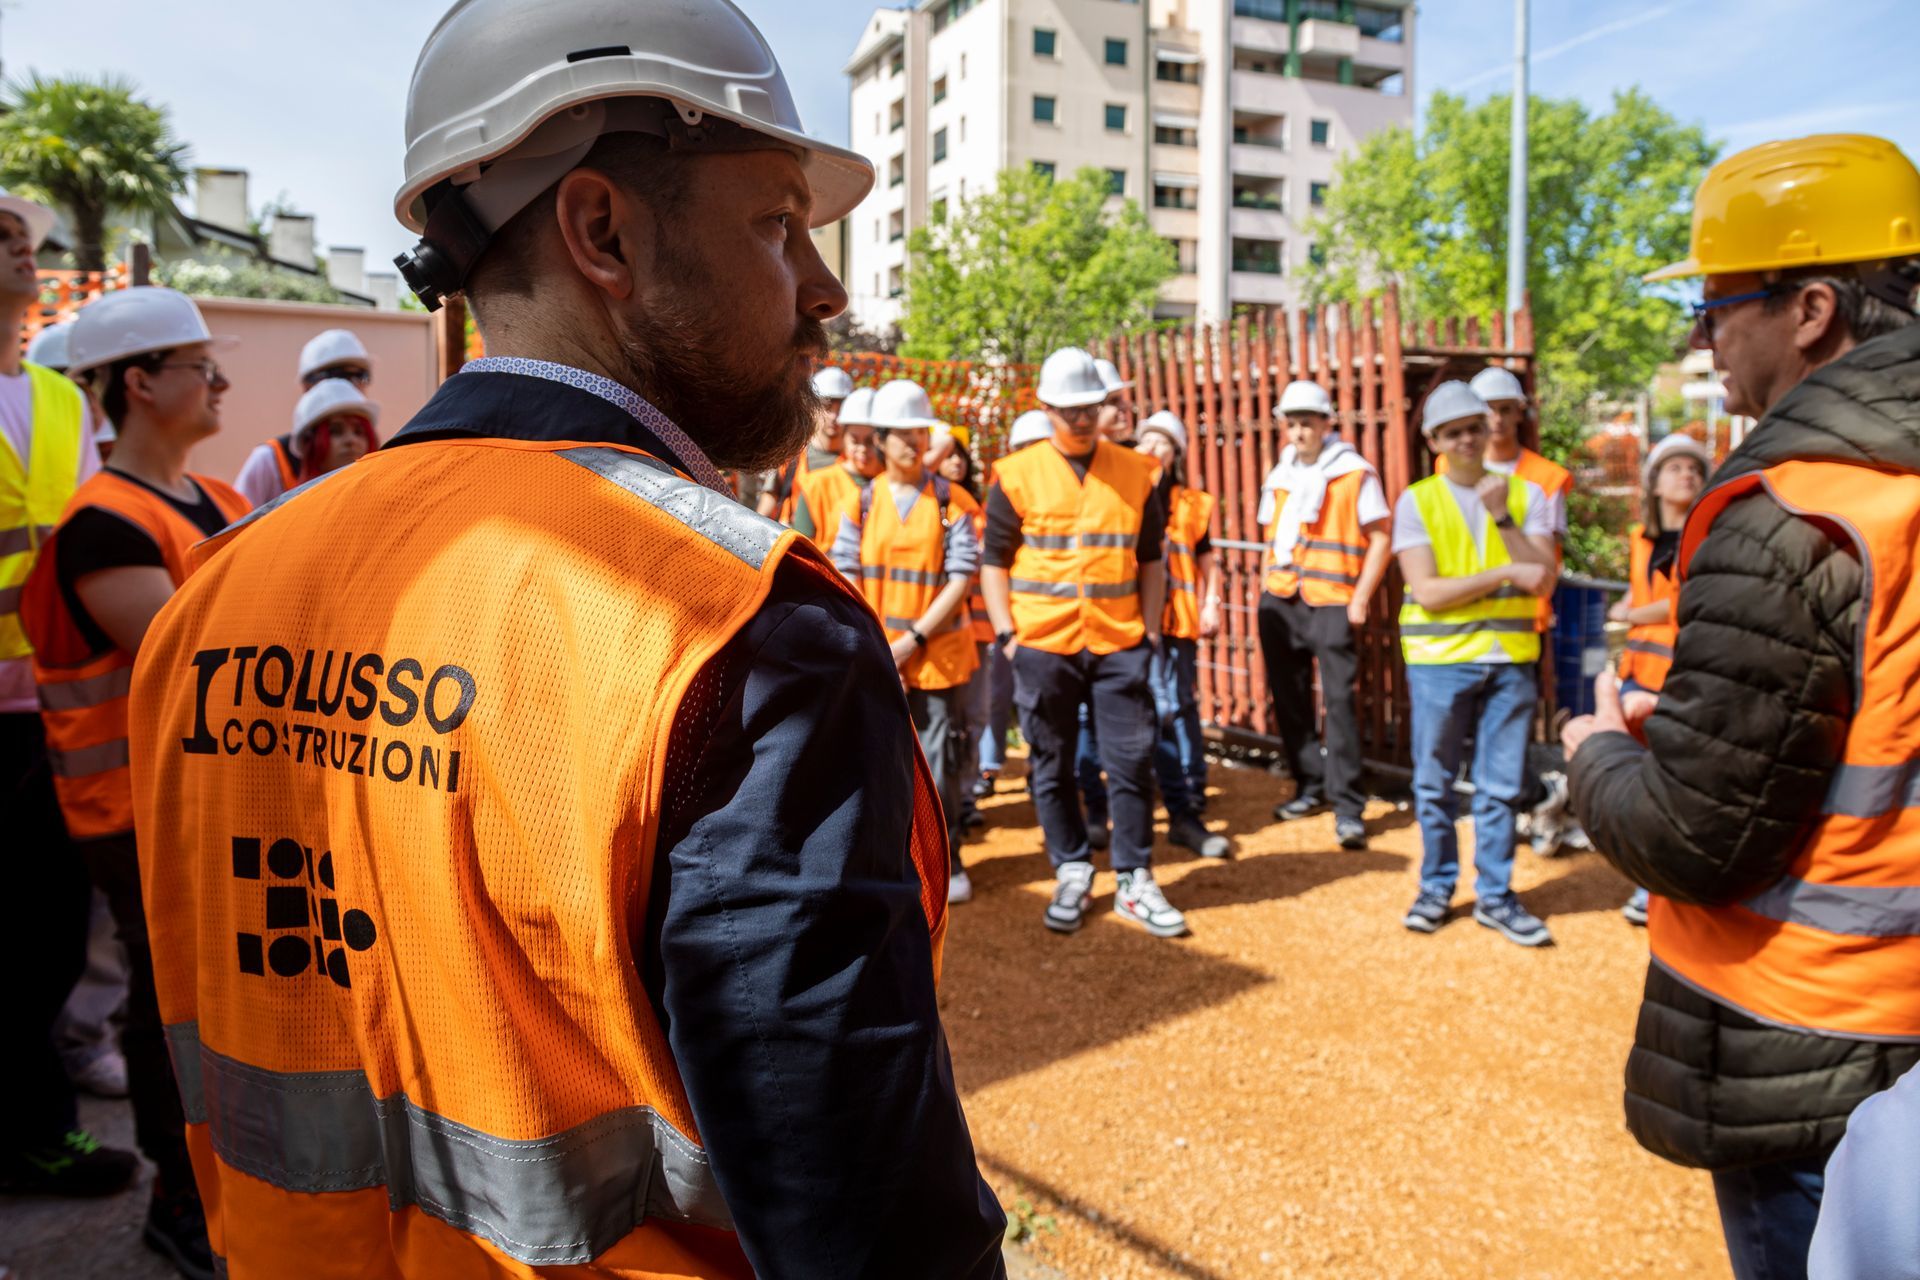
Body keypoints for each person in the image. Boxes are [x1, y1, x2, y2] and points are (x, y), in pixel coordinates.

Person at [124, 3, 1006, 1274]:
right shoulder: (733, 627)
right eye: (777, 224)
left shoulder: (217, 592)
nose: (827, 288)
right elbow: (862, 1210)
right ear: (603, 230)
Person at [1561, 132, 1920, 1280]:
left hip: (1816, 1029)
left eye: (1718, 303)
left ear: (1812, 307)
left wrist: (1596, 749)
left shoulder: (1794, 508)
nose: (1700, 333)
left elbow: (1695, 831)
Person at [20, 286, 252, 1277]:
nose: (221, 381)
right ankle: (176, 1193)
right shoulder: (102, 524)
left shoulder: (225, 503)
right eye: (201, 365)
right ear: (140, 383)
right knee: (175, 1015)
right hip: (141, 814)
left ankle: (227, 1177)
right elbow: (197, 661)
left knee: (230, 1003)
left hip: (221, 802)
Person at [0, 190, 137, 1206]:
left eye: (20, 235)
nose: (17, 247)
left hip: (44, 705)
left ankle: (32, 1129)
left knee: (44, 929)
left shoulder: (58, 402)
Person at [981, 347, 1186, 938]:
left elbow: (1152, 559)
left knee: (1129, 759)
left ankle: (1134, 878)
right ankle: (1072, 866)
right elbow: (994, 561)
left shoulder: (1134, 471)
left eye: (1090, 406)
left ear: (1106, 405)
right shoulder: (1016, 475)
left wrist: (1148, 630)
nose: (1081, 418)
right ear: (1045, 407)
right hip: (1042, 644)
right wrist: (1008, 634)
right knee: (1051, 761)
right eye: (1068, 408)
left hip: (1120, 642)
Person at [1394, 380, 1558, 947]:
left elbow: (1543, 578)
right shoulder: (1416, 501)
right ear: (1435, 439)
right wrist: (1504, 573)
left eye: (1473, 426)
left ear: (1488, 429)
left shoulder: (1524, 496)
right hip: (1441, 662)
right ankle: (1436, 887)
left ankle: (1494, 896)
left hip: (1510, 661)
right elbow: (1429, 592)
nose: (1466, 438)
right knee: (1434, 783)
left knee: (1501, 787)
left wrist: (1502, 521)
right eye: (1453, 431)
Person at [831, 379, 981, 902]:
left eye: (920, 433)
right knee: (881, 760)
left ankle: (947, 857)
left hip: (935, 658)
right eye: (902, 435)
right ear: (881, 439)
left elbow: (960, 578)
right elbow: (845, 575)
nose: (913, 444)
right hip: (881, 658)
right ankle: (894, 859)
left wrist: (912, 640)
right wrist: (882, 646)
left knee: (940, 763)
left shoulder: (952, 501)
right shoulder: (862, 501)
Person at [1255, 379, 1392, 850]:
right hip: (1281, 596)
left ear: (1326, 423)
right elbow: (1271, 538)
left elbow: (1381, 536)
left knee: (1339, 703)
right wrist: (1263, 583)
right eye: (1291, 423)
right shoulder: (1280, 474)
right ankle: (1309, 787)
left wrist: (1360, 596)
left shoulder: (1354, 472)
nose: (1298, 432)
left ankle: (1348, 805)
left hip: (1332, 598)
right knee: (1289, 700)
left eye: (1306, 423)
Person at [1607, 432, 1711, 926]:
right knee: (1644, 780)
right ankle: (1646, 880)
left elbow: (1686, 603)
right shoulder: (1639, 537)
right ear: (1654, 482)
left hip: (1683, 677)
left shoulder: (1710, 535)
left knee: (1678, 782)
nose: (1686, 475)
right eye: (1675, 468)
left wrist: (1632, 613)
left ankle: (1659, 888)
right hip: (1639, 675)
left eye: (1694, 468)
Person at [1132, 411, 1231, 859]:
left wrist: (1213, 602)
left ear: (1177, 453)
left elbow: (1208, 558)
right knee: (1149, 705)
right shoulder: (1127, 493)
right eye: (1146, 441)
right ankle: (1156, 786)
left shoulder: (1194, 502)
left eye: (1162, 443)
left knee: (1179, 703)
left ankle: (1190, 790)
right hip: (1133, 619)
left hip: (1179, 619)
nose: (1152, 449)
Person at [975, 409, 1053, 800]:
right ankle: (989, 768)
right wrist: (1004, 627)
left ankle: (1040, 770)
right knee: (998, 695)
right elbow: (993, 561)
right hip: (1005, 621)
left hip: (1043, 623)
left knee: (1039, 703)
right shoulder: (1004, 488)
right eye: (1024, 448)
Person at [233, 328, 374, 507]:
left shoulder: (369, 454)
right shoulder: (270, 459)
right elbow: (236, 525)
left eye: (360, 376)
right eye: (339, 375)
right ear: (307, 384)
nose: (349, 385)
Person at [758, 363, 851, 519]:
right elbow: (771, 496)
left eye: (840, 408)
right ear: (812, 408)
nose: (834, 417)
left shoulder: (858, 459)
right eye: (828, 407)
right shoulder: (793, 455)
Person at [792, 384, 880, 546]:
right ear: (844, 437)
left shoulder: (894, 484)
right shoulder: (816, 485)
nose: (862, 449)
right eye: (854, 440)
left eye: (870, 442)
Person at [287, 379, 381, 484]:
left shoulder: (387, 496)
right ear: (309, 445)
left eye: (358, 432)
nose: (351, 440)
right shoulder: (299, 500)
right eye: (336, 431)